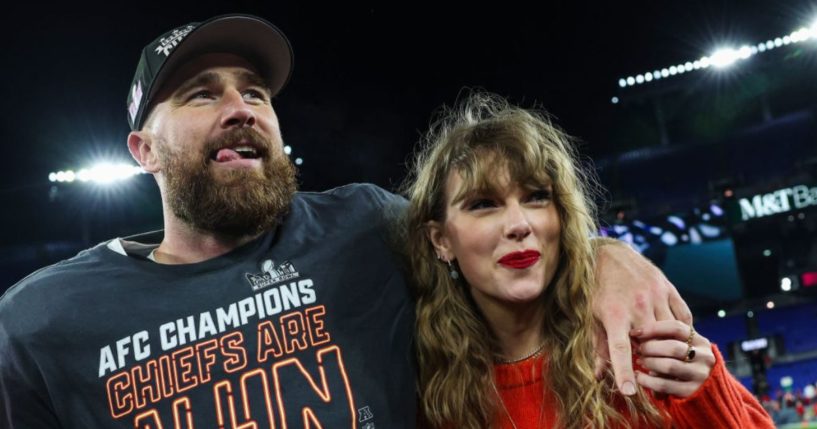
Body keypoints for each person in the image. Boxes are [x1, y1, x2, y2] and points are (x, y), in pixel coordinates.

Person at [1, 14, 690, 428]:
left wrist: (603, 254)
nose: (240, 106)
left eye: (255, 91)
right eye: (201, 94)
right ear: (142, 150)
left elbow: (493, 234)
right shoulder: (42, 320)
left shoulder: (365, 227)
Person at [403, 92, 775, 428]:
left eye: (536, 197)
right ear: (440, 240)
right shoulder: (418, 390)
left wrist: (706, 397)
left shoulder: (635, 344)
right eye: (483, 204)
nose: (519, 224)